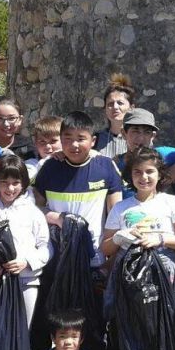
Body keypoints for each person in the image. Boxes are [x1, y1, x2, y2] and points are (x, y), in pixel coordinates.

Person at [33, 111, 122, 269]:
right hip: (56, 255)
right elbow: (33, 208)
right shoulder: (49, 167)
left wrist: (112, 258)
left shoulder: (106, 167)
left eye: (81, 139)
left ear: (93, 140)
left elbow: (116, 214)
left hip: (94, 255)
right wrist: (58, 218)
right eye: (68, 139)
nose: (74, 145)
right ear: (61, 140)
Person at [0, 155, 50, 326]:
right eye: (4, 182)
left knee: (21, 332)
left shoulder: (33, 211)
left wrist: (27, 262)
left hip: (26, 281)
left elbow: (45, 247)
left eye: (16, 182)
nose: (10, 188)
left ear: (23, 183)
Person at [102, 147, 175, 261]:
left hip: (163, 270)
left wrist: (161, 239)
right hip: (128, 273)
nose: (144, 177)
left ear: (160, 174)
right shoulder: (119, 208)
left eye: (150, 171)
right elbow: (105, 249)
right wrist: (117, 238)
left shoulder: (172, 202)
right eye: (137, 172)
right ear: (131, 175)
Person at [95, 73, 134, 159]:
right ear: (105, 109)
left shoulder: (137, 139)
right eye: (110, 104)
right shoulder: (95, 140)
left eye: (120, 103)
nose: (115, 107)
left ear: (131, 108)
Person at [25, 115, 62, 181]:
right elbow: (30, 181)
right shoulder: (31, 165)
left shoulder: (72, 160)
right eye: (42, 141)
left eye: (53, 141)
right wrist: (49, 159)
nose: (47, 146)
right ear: (36, 143)